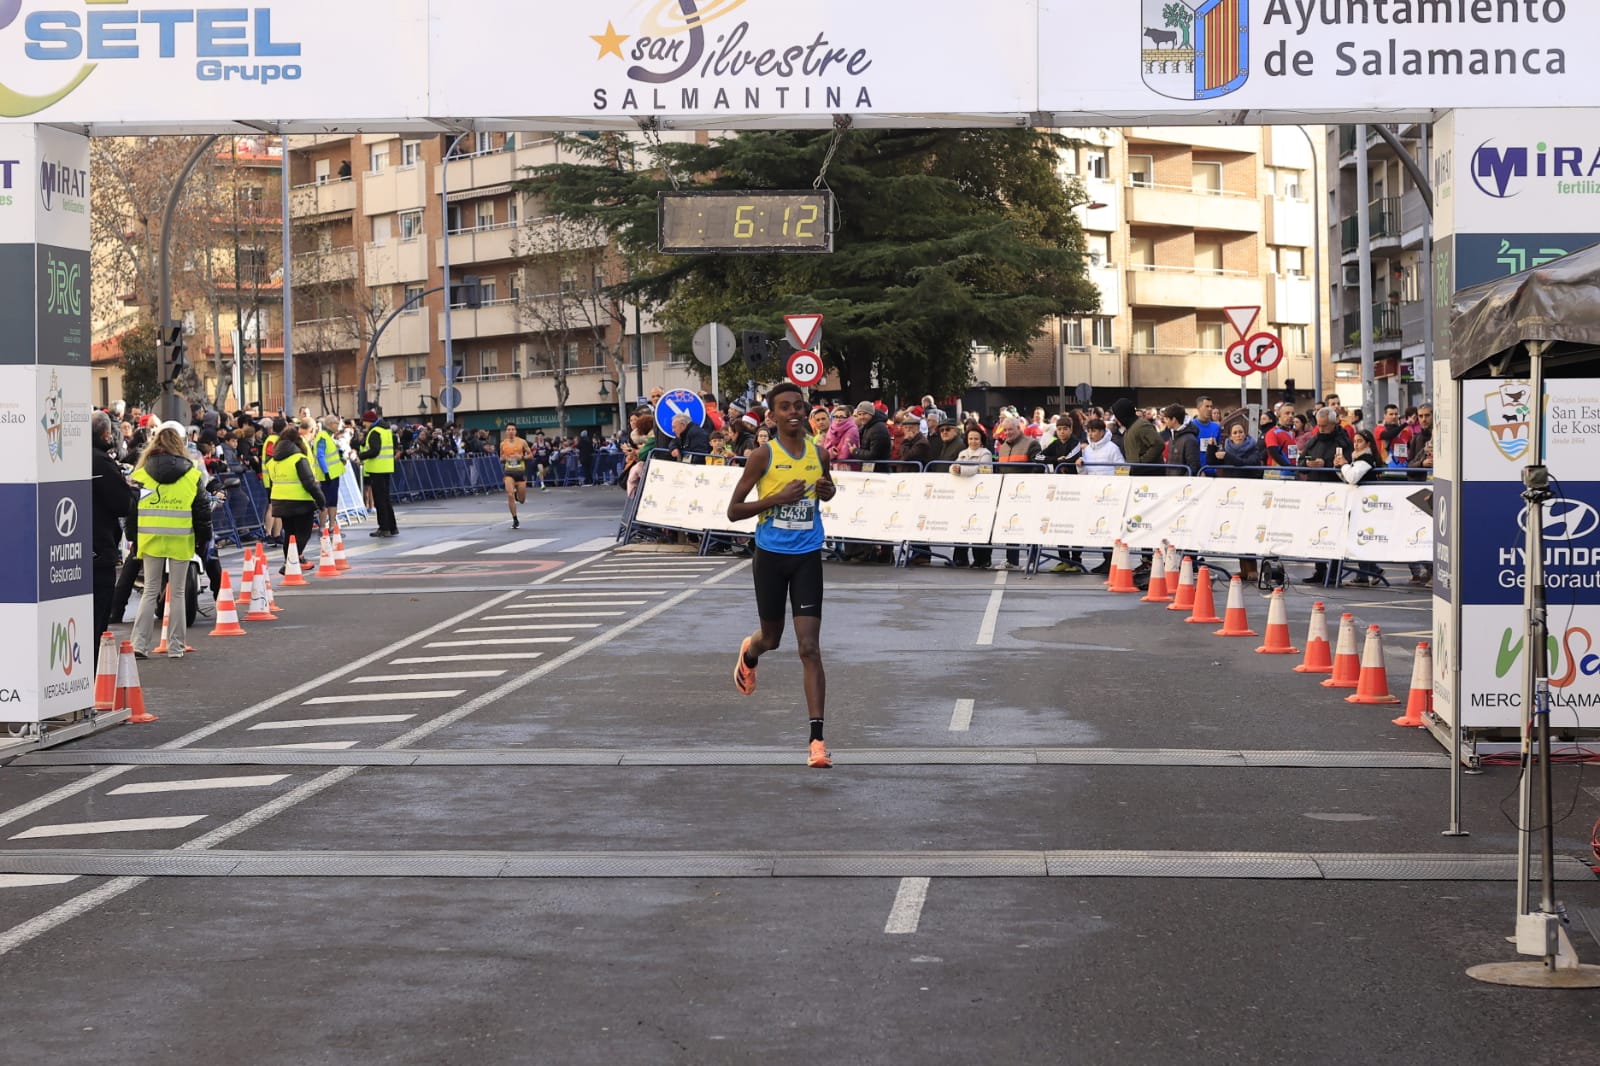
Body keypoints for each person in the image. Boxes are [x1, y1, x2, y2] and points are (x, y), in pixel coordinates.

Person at [726, 382, 837, 769]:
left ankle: (817, 741)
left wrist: (827, 490)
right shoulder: (762, 456)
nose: (793, 412)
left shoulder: (819, 453)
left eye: (798, 406)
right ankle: (750, 653)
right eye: (784, 407)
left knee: (808, 647)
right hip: (771, 556)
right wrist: (776, 499)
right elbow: (734, 511)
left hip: (807, 555)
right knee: (771, 639)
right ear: (772, 416)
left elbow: (828, 491)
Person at [129, 426, 211, 659]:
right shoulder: (192, 474)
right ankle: (176, 647)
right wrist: (203, 539)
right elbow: (202, 511)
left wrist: (132, 538)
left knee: (150, 590)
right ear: (180, 445)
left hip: (151, 538)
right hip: (181, 539)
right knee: (177, 593)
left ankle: (139, 644)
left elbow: (131, 511)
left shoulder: (141, 474)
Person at [91, 411, 135, 640]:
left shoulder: (74, 457)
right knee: (98, 618)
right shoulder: (101, 461)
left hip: (74, 547)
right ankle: (95, 669)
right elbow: (122, 504)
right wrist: (130, 490)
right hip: (99, 546)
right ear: (107, 434)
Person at [262, 425, 327, 567]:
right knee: (303, 534)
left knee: (290, 534)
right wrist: (321, 501)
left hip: (280, 501)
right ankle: (292, 562)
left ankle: (292, 560)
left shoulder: (273, 460)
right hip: (301, 502)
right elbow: (309, 483)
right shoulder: (298, 458)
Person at [1335, 429, 1385, 586]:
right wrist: (1340, 467)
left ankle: (1373, 570)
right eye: (1355, 441)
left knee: (1360, 537)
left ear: (1368, 443)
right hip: (1358, 502)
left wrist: (1343, 465)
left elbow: (1352, 477)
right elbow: (1348, 476)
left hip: (1364, 503)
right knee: (1358, 538)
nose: (1356, 444)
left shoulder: (1366, 459)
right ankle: (1365, 573)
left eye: (1360, 441)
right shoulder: (1357, 459)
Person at [358, 409, 398, 537]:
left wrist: (361, 455)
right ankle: (392, 527)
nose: (364, 424)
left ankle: (384, 528)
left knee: (380, 500)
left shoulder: (374, 432)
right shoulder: (385, 430)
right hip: (386, 467)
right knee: (385, 499)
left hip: (377, 469)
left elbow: (375, 450)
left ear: (368, 421)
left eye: (364, 422)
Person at [311, 414, 345, 532]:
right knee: (325, 502)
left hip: (333, 474)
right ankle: (322, 526)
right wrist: (326, 472)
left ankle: (331, 525)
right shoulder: (322, 437)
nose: (338, 425)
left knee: (333, 501)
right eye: (336, 423)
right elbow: (320, 455)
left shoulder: (329, 437)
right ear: (330, 424)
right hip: (327, 475)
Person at [499, 424, 535, 528]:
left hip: (520, 472)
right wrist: (505, 458)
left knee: (522, 500)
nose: (511, 431)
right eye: (509, 429)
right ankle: (515, 519)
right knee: (509, 494)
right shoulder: (503, 444)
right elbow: (501, 457)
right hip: (509, 472)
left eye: (513, 429)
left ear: (516, 431)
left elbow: (531, 455)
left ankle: (517, 496)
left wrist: (522, 457)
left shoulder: (522, 442)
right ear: (506, 432)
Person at [1162, 404, 1201, 475]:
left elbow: (1194, 466)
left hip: (1182, 484)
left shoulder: (1190, 440)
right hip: (1172, 482)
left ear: (1174, 420)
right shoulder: (1173, 436)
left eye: (1167, 419)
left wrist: (1183, 482)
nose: (1165, 421)